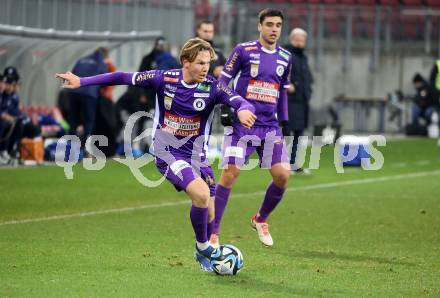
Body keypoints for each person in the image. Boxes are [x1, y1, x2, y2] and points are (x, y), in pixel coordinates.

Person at [55, 38, 257, 272]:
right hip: (168, 152)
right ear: (185, 62)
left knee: (209, 210)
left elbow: (241, 101)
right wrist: (82, 81)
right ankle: (203, 249)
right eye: (200, 63)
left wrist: (243, 110)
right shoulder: (163, 78)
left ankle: (202, 246)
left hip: (197, 155)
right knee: (201, 195)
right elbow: (121, 76)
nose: (205, 68)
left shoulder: (212, 87)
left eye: (207, 63)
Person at [211, 8, 292, 248]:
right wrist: (233, 108)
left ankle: (260, 219)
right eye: (269, 24)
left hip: (269, 127)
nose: (274, 29)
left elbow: (282, 91)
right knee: (229, 175)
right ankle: (213, 233)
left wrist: (284, 120)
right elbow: (222, 83)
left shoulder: (286, 57)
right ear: (260, 26)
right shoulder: (243, 51)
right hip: (242, 125)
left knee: (282, 176)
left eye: (278, 25)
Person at [283, 27, 314, 175]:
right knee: (287, 132)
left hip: (302, 101)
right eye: (298, 40)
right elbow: (279, 71)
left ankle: (294, 163)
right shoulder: (285, 54)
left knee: (298, 133)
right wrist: (287, 83)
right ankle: (283, 163)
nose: (300, 43)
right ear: (292, 39)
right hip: (289, 101)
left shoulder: (303, 57)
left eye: (303, 40)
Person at [67, 47, 108, 148]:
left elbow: (72, 75)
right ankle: (85, 148)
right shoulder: (100, 62)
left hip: (74, 92)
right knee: (89, 121)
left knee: (73, 120)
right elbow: (105, 80)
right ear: (105, 55)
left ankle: (70, 147)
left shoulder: (81, 60)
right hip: (89, 93)